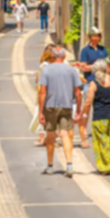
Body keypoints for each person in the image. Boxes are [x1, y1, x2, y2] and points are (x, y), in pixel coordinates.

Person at [38, 45, 83, 178]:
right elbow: (78, 92)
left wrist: (41, 111)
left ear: (51, 56)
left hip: (50, 106)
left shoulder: (46, 70)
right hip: (66, 106)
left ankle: (50, 166)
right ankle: (69, 165)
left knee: (50, 136)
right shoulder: (72, 70)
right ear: (64, 56)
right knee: (65, 135)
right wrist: (78, 109)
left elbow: (42, 92)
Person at [80, 60, 110, 175]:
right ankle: (106, 165)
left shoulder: (93, 83)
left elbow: (88, 102)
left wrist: (83, 114)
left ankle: (108, 164)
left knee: (101, 142)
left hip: (99, 116)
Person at [77, 27, 107, 146]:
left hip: (102, 81)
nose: (100, 37)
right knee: (87, 106)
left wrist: (97, 66)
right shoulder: (85, 51)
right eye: (97, 35)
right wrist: (97, 66)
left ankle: (100, 129)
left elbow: (107, 63)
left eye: (100, 35)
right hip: (90, 81)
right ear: (91, 37)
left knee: (101, 106)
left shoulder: (103, 49)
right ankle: (83, 128)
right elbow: (83, 67)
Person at [31, 44, 55, 146]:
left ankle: (47, 138)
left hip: (49, 93)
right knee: (42, 114)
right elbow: (39, 80)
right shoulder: (45, 66)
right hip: (45, 93)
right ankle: (43, 138)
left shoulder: (49, 65)